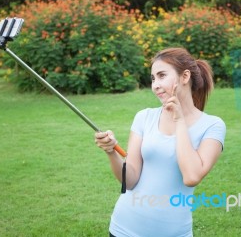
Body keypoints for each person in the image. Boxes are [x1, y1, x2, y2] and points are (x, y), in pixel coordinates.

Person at [95, 47, 226, 237]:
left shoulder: (212, 125)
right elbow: (129, 181)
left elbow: (191, 176)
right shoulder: (144, 117)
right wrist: (111, 151)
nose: (155, 84)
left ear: (185, 76)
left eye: (162, 75)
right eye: (153, 78)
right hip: (123, 229)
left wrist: (179, 120)